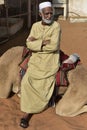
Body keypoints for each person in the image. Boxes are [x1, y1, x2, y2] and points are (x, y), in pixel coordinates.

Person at [20, 1, 61, 128]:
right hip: (36, 60)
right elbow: (28, 43)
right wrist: (43, 42)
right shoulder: (35, 26)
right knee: (26, 82)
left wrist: (36, 43)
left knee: (44, 85)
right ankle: (28, 108)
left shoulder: (56, 26)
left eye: (51, 13)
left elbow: (54, 46)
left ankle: (28, 113)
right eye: (46, 13)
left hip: (50, 61)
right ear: (40, 14)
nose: (49, 16)